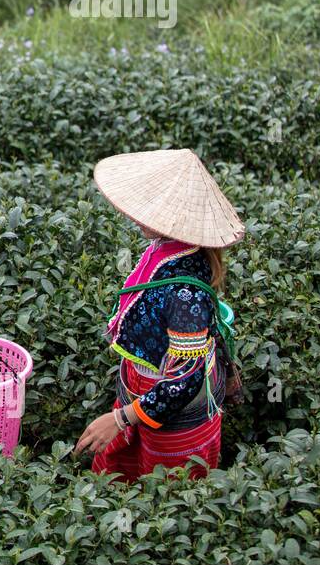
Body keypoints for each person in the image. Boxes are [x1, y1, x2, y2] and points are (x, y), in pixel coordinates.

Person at [75, 149, 244, 480]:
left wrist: (120, 419)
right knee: (124, 478)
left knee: (165, 496)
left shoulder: (187, 295)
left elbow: (184, 380)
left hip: (174, 412)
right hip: (142, 392)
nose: (138, 215)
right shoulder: (166, 247)